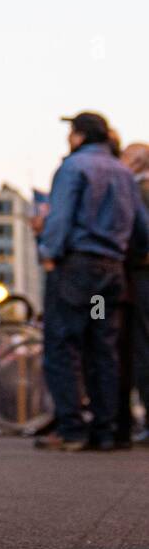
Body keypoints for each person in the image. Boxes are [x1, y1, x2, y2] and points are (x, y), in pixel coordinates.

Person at [34, 113, 149, 451]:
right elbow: (143, 230)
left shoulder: (74, 167)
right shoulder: (124, 173)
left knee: (64, 346)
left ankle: (72, 430)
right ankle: (105, 429)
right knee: (103, 348)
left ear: (78, 135)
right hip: (110, 272)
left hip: (75, 268)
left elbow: (61, 215)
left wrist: (48, 253)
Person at [120, 142, 149, 444]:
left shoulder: (137, 189)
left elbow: (141, 231)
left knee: (142, 348)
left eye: (126, 156)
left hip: (141, 274)